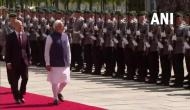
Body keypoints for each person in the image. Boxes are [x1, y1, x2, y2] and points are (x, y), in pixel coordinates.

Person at [44, 20, 71, 105]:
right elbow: (46, 51)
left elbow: (68, 49)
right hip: (54, 63)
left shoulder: (65, 36)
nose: (61, 27)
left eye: (62, 26)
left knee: (65, 81)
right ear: (55, 28)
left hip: (64, 63)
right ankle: (55, 98)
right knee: (55, 82)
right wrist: (47, 63)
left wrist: (69, 60)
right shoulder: (50, 37)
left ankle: (58, 92)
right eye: (59, 26)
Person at [5, 20, 31, 104]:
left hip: (24, 61)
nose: (21, 26)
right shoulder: (10, 36)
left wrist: (29, 59)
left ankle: (21, 94)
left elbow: (27, 48)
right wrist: (8, 62)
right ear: (15, 26)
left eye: (22, 25)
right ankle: (16, 97)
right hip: (13, 62)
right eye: (19, 25)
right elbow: (7, 50)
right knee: (14, 81)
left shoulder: (25, 35)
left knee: (25, 78)